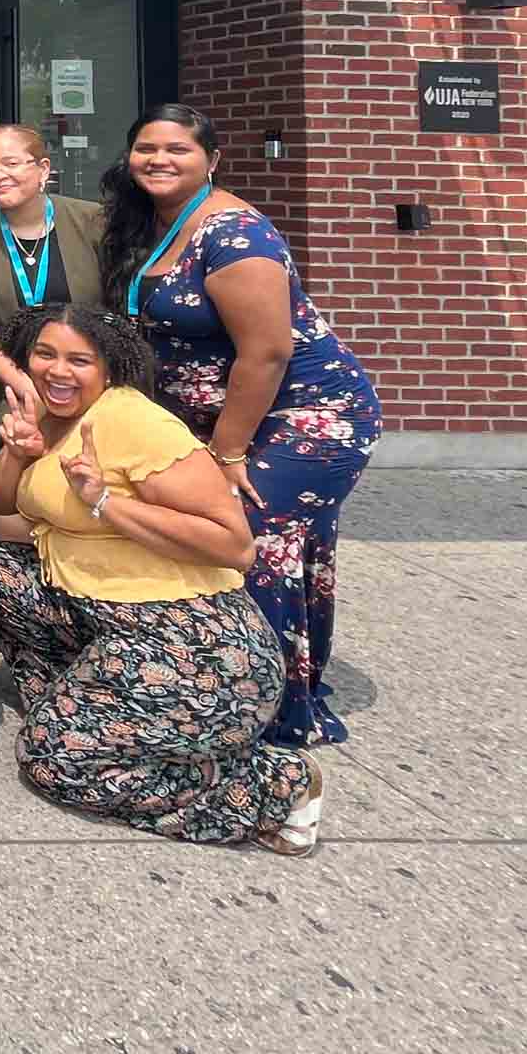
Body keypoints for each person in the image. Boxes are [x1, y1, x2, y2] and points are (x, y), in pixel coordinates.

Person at [0, 303, 325, 852]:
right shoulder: (44, 413)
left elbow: (235, 546)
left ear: (109, 367)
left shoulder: (132, 422)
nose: (57, 371)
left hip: (195, 644)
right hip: (100, 614)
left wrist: (105, 502)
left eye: (78, 360)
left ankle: (273, 786)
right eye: (45, 354)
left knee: (51, 762)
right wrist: (19, 456)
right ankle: (76, 705)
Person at [100, 103, 381, 748]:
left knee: (240, 538)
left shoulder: (235, 233)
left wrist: (227, 453)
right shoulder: (160, 222)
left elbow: (267, 352)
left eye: (178, 150)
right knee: (282, 551)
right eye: (147, 148)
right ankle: (285, 682)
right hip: (230, 421)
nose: (159, 161)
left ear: (212, 160)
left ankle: (259, 710)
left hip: (307, 416)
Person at [0, 124, 106, 456]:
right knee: (13, 498)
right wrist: (22, 382)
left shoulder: (93, 221)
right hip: (12, 393)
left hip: (91, 386)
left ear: (43, 168)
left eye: (11, 163)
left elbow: (114, 309)